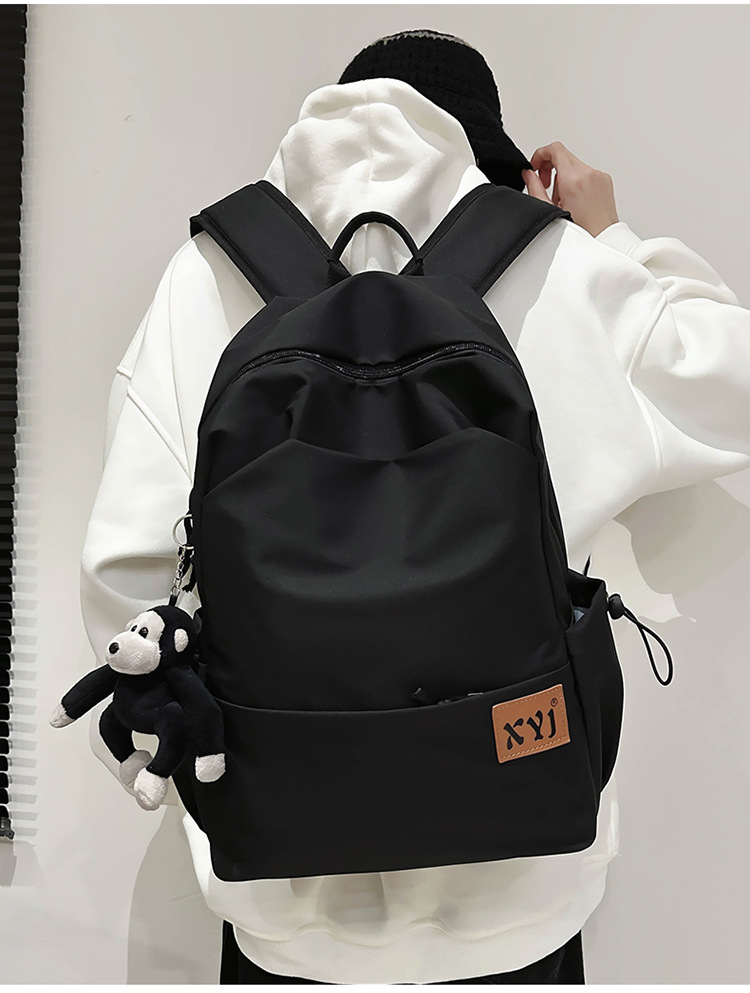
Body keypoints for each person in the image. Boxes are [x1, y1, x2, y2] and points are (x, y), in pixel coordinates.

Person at [79, 29, 750, 985]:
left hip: (281, 897)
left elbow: (126, 579)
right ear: (495, 155)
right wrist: (614, 237)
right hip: (522, 887)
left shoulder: (206, 275)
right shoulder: (567, 267)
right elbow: (734, 384)